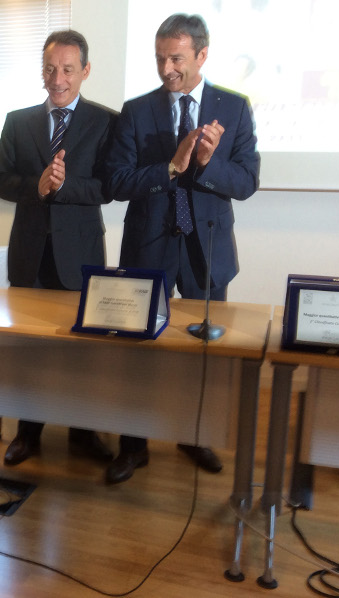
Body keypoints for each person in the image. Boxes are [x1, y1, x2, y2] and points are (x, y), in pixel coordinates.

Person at [105, 13, 260, 484]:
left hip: (206, 248)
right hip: (147, 247)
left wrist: (208, 164)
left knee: (203, 355)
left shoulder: (234, 108)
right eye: (159, 59)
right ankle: (133, 446)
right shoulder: (136, 110)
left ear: (202, 54)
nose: (166, 68)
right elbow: (117, 181)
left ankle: (195, 436)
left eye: (176, 58)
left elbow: (247, 182)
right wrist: (170, 168)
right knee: (137, 354)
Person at [0, 30, 116, 467]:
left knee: (82, 350)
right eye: (49, 69)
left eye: (67, 69)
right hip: (30, 254)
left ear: (85, 71)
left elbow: (109, 187)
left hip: (80, 254)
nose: (57, 79)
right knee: (29, 350)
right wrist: (37, 186)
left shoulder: (106, 121)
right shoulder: (18, 121)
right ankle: (28, 433)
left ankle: (83, 432)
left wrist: (63, 187)